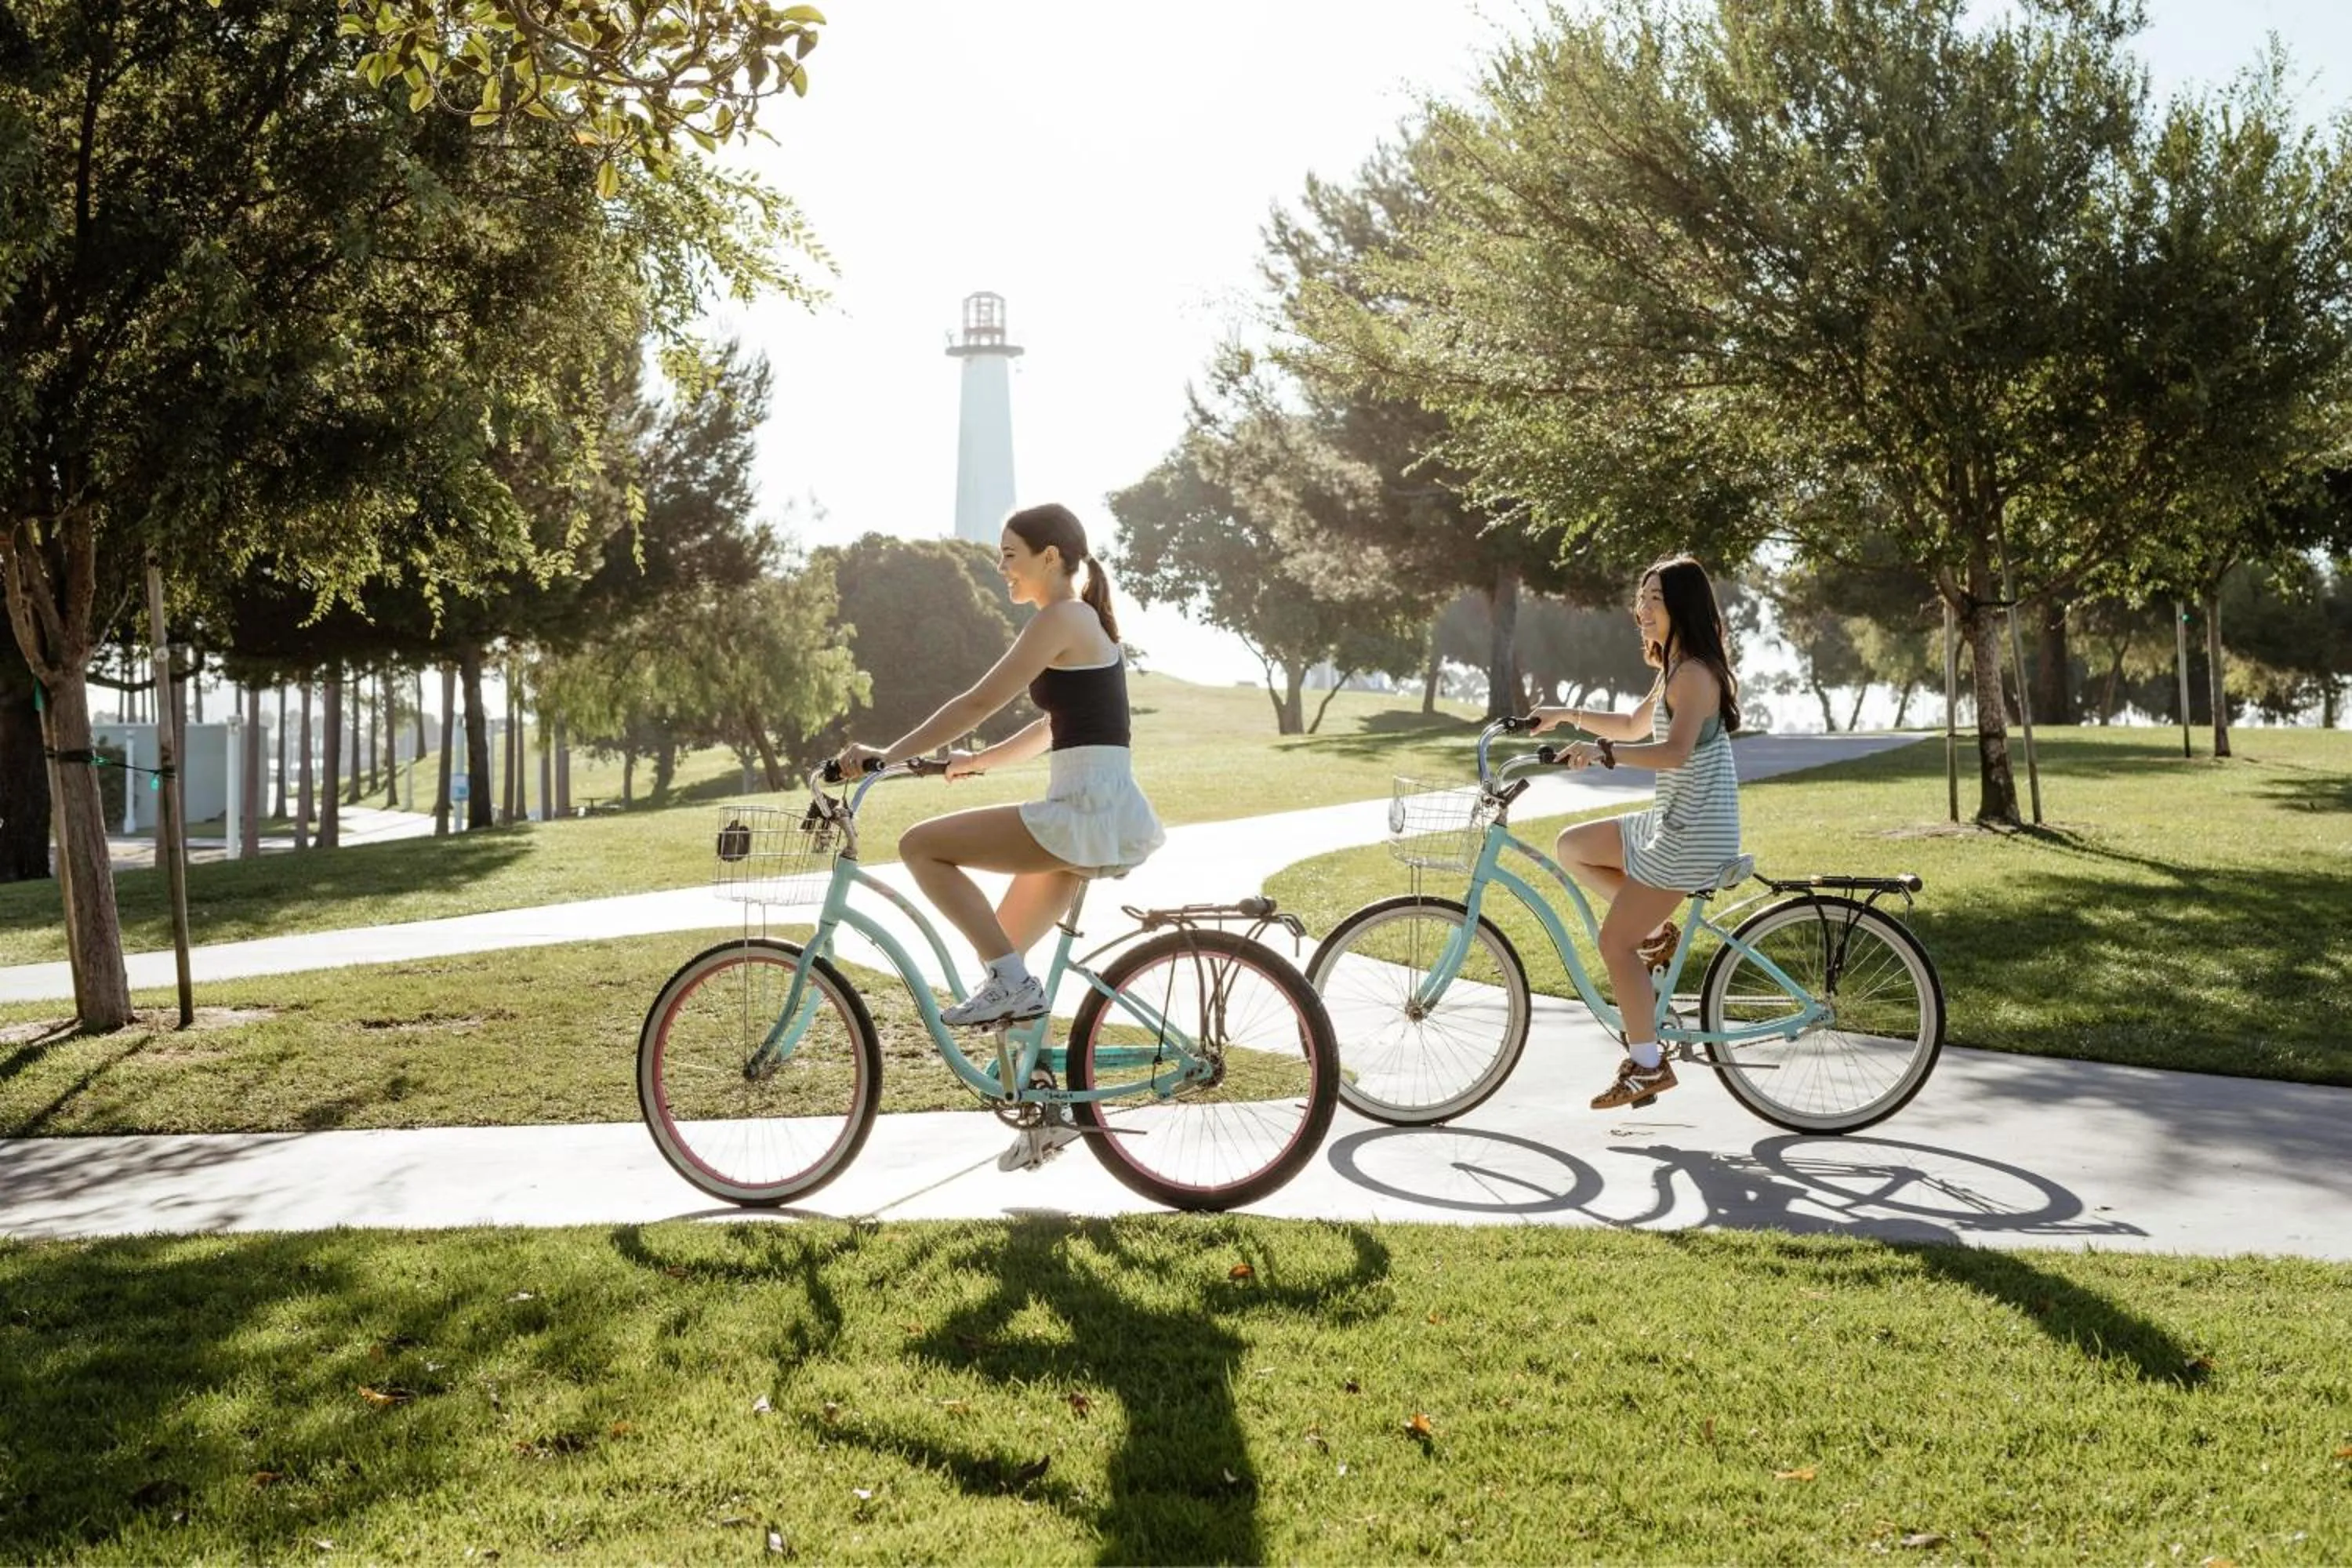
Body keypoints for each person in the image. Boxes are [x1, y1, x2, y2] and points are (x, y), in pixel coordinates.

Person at [835, 503, 1165, 1029]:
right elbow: (1052, 729)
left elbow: (976, 703)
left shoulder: (1063, 618)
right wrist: (975, 761)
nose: (1002, 567)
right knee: (1001, 951)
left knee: (920, 846)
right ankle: (1037, 1074)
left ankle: (1014, 986)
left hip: (1084, 811)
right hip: (1092, 809)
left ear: (1049, 556)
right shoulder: (1079, 620)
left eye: (1010, 555)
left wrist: (884, 756)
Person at [1531, 554, 1743, 1110]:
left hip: (1692, 833)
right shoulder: (1673, 669)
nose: (1642, 610)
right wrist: (1565, 715)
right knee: (1573, 846)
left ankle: (1647, 1064)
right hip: (1671, 820)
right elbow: (1630, 726)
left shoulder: (1695, 674)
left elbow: (1673, 753)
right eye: (1641, 598)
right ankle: (1655, 936)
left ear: (1682, 608)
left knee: (1611, 942)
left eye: (1655, 600)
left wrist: (1602, 756)